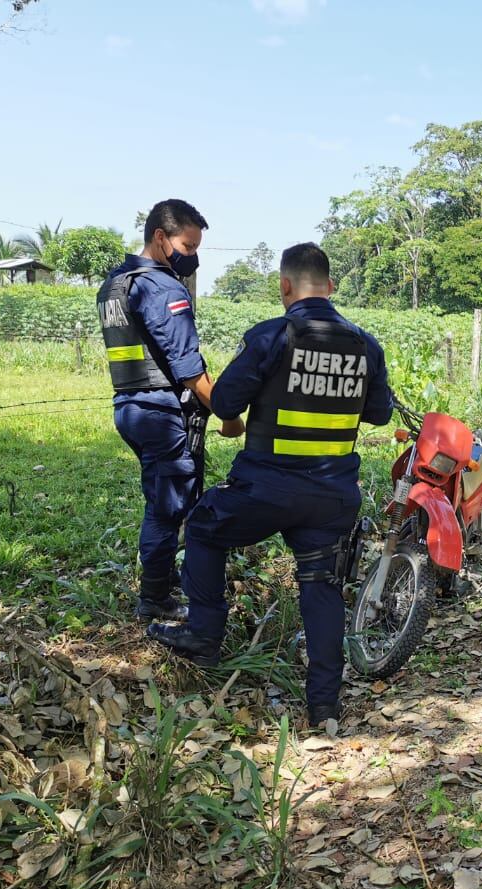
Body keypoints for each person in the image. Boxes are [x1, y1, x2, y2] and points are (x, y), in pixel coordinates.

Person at [149, 242, 393, 728]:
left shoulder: (271, 336)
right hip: (332, 497)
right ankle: (324, 705)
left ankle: (204, 635)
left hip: (265, 490)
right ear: (331, 286)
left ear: (284, 286)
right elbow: (380, 413)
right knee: (320, 586)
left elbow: (224, 404)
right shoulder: (365, 345)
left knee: (203, 528)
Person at [98, 198, 245, 622]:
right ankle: (155, 596)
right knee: (168, 506)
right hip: (160, 411)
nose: (192, 256)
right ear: (160, 237)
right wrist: (229, 414)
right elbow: (188, 369)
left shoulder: (115, 283)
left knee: (166, 497)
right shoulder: (161, 287)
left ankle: (166, 576)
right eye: (187, 246)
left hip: (129, 404)